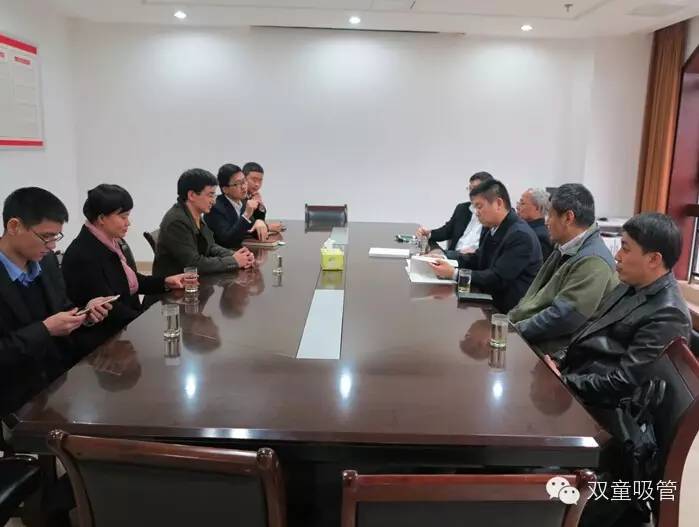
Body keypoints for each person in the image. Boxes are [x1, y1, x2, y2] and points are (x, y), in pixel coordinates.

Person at [545, 213, 691, 408]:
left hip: (606, 408)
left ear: (653, 259)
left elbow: (623, 383)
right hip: (579, 379)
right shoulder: (630, 284)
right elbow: (590, 328)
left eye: (625, 248)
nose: (617, 256)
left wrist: (563, 381)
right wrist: (558, 360)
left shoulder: (668, 315)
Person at [0, 188, 113, 417]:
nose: (52, 246)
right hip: (13, 393)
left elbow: (61, 307)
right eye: (46, 236)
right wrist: (45, 329)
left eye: (56, 237)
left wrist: (85, 313)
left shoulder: (47, 261)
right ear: (14, 226)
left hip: (57, 381)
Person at [62, 184, 189, 333]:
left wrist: (166, 282)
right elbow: (109, 308)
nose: (128, 223)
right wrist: (148, 323)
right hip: (107, 336)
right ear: (101, 218)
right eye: (123, 217)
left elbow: (129, 281)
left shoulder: (111, 241)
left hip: (127, 324)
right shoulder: (84, 254)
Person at [509, 184, 618, 356]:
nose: (546, 221)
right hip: (533, 339)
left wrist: (515, 330)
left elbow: (564, 317)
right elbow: (535, 296)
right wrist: (510, 322)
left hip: (555, 353)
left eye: (550, 215)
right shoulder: (566, 246)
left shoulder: (594, 261)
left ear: (568, 217)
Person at [430, 179, 542, 313]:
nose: (476, 212)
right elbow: (478, 258)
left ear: (498, 203)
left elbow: (497, 278)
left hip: (504, 311)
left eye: (479, 206)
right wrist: (445, 256)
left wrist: (454, 273)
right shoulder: (493, 227)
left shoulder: (520, 235)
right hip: (486, 298)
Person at [153, 168, 255, 277]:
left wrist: (236, 255)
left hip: (193, 279)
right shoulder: (177, 222)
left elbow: (210, 246)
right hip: (177, 285)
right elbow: (194, 264)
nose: (214, 201)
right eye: (210, 195)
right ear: (192, 195)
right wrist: (233, 261)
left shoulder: (194, 214)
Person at [416, 171, 493, 257]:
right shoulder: (462, 209)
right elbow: (447, 231)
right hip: (453, 256)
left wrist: (476, 251)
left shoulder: (493, 217)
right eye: (470, 189)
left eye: (475, 189)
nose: (471, 193)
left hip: (474, 260)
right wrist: (429, 234)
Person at [204, 164, 269, 248]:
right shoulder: (215, 207)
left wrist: (260, 220)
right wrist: (246, 215)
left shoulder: (243, 202)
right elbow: (228, 240)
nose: (244, 187)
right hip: (224, 253)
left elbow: (254, 227)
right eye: (237, 184)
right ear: (225, 189)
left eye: (244, 181)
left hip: (243, 251)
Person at [243, 161, 283, 233]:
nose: (257, 184)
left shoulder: (252, 196)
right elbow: (245, 225)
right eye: (254, 180)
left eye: (260, 180)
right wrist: (268, 227)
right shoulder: (238, 197)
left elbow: (259, 220)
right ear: (244, 179)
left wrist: (260, 205)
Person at [516, 188, 554, 260]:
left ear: (537, 207)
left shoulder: (540, 237)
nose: (517, 207)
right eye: (518, 203)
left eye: (522, 203)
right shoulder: (525, 228)